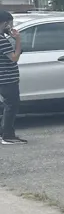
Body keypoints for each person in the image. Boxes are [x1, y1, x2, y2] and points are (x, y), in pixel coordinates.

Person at [0, 10, 25, 145]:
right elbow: (14, 58)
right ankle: (8, 136)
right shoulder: (1, 40)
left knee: (7, 105)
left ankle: (4, 132)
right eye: (10, 23)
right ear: (5, 23)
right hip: (7, 78)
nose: (12, 25)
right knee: (12, 105)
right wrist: (18, 40)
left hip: (3, 78)